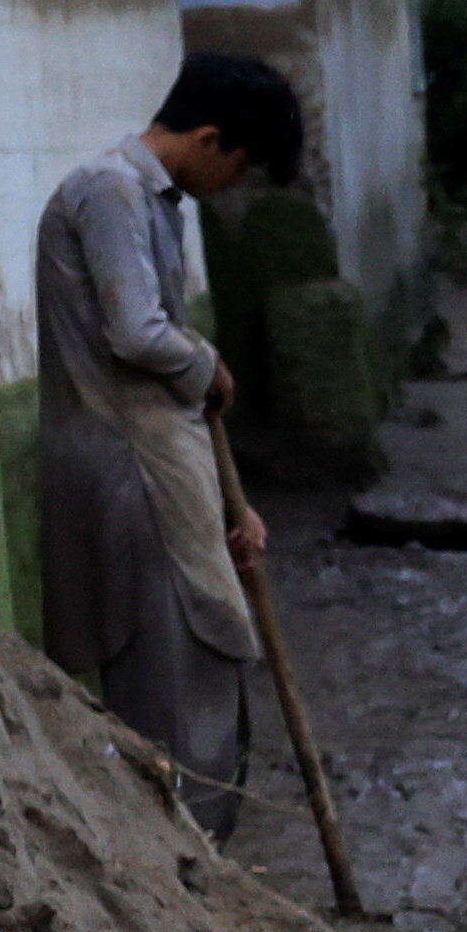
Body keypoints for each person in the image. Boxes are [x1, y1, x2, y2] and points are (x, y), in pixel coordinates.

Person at [37, 54, 299, 839]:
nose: (233, 185)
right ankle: (180, 860)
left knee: (206, 656)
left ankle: (199, 858)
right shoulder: (111, 190)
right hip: (133, 473)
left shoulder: (150, 198)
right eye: (240, 167)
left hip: (162, 460)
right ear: (211, 137)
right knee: (178, 670)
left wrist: (232, 504)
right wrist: (205, 363)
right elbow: (138, 331)